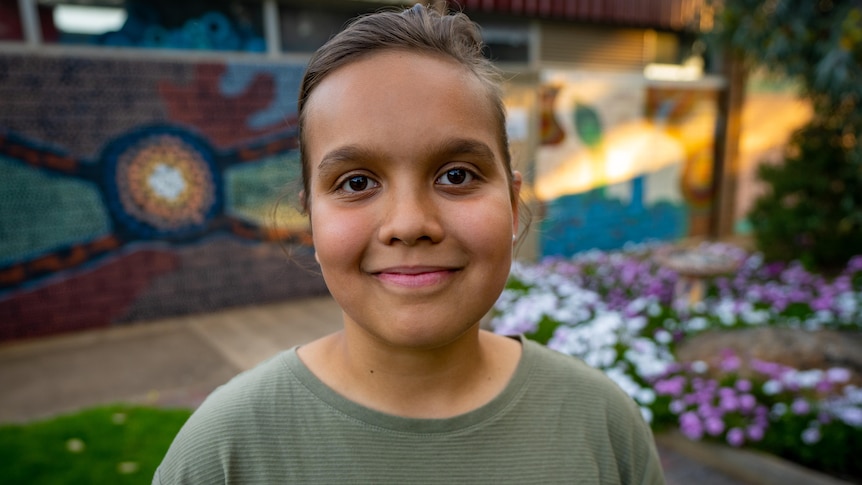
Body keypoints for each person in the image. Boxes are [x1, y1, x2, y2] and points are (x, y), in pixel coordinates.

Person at [153, 4, 665, 484]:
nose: (409, 223)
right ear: (311, 219)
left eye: (457, 174)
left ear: (512, 203)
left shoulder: (603, 425)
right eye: (356, 183)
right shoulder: (223, 453)